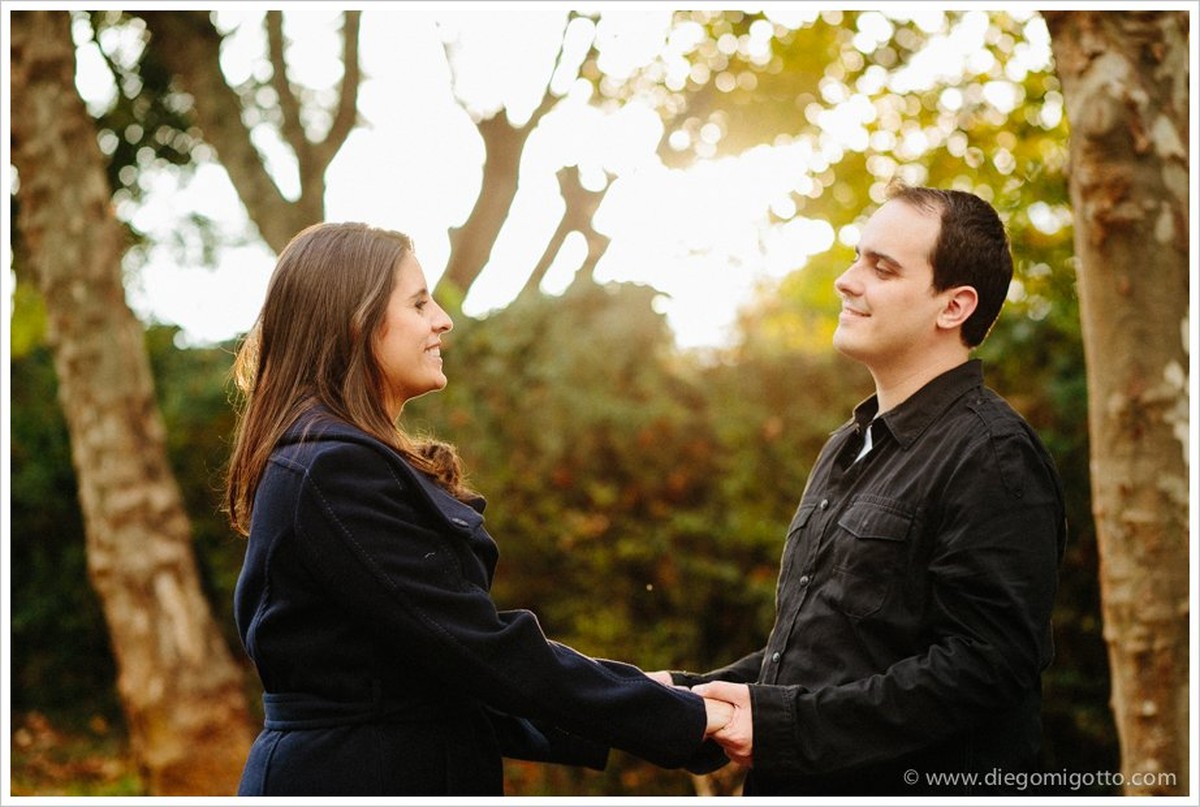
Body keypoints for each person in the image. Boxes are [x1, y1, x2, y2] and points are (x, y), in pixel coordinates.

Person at [224, 221, 732, 795]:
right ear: (354, 321)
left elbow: (437, 677)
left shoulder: (334, 461)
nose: (443, 320)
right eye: (419, 303)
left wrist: (648, 693)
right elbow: (478, 648)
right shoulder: (333, 469)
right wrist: (681, 718)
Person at [653, 184, 1067, 795]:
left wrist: (785, 726)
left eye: (883, 268)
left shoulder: (993, 454)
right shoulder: (847, 445)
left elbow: (986, 668)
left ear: (953, 307)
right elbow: (830, 655)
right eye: (856, 258)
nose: (847, 281)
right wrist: (687, 697)